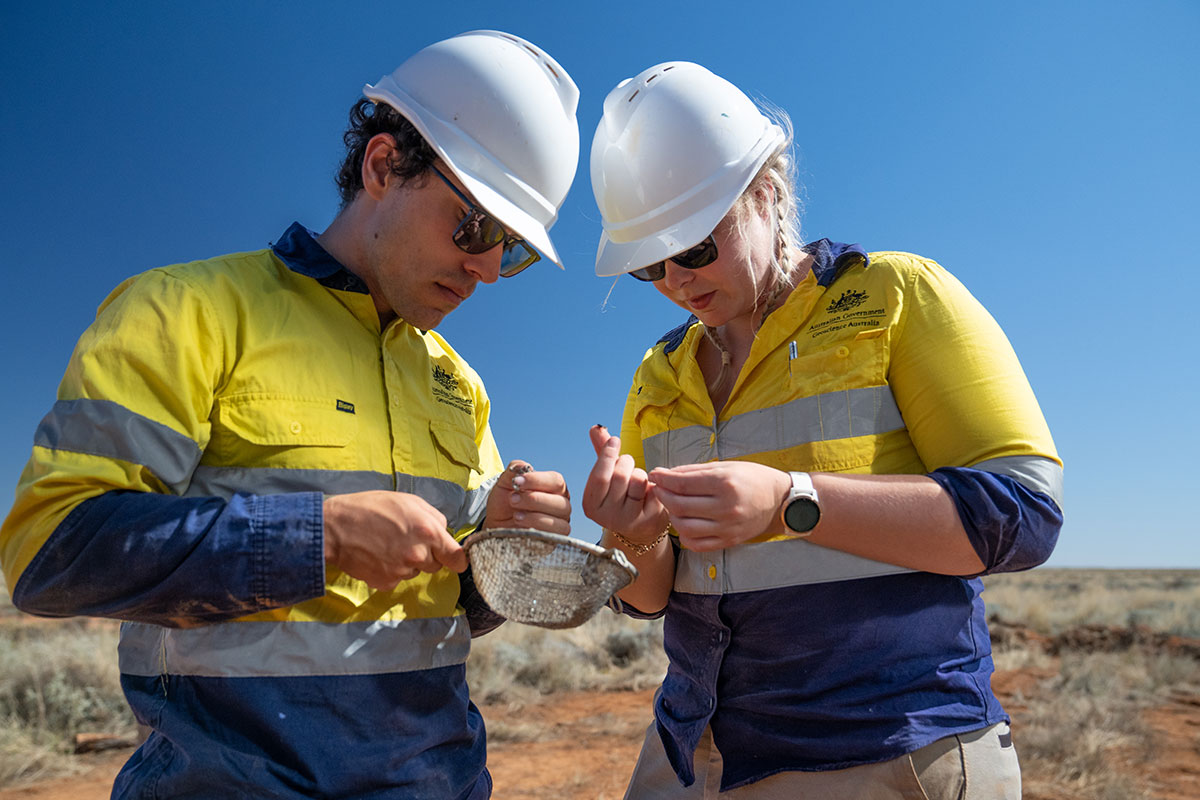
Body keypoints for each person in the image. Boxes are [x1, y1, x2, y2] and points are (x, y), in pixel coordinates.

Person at [0, 30, 579, 800]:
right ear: (382, 166)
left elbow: (451, 617)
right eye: (473, 226)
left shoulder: (458, 385)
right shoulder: (187, 312)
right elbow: (51, 558)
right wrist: (321, 537)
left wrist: (497, 544)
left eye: (511, 249)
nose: (485, 268)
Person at [582, 61, 1063, 799]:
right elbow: (648, 597)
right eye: (650, 265)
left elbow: (1022, 515)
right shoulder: (660, 372)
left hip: (881, 749)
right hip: (694, 751)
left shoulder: (897, 296)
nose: (677, 279)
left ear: (766, 195)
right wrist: (633, 533)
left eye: (696, 247)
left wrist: (790, 501)